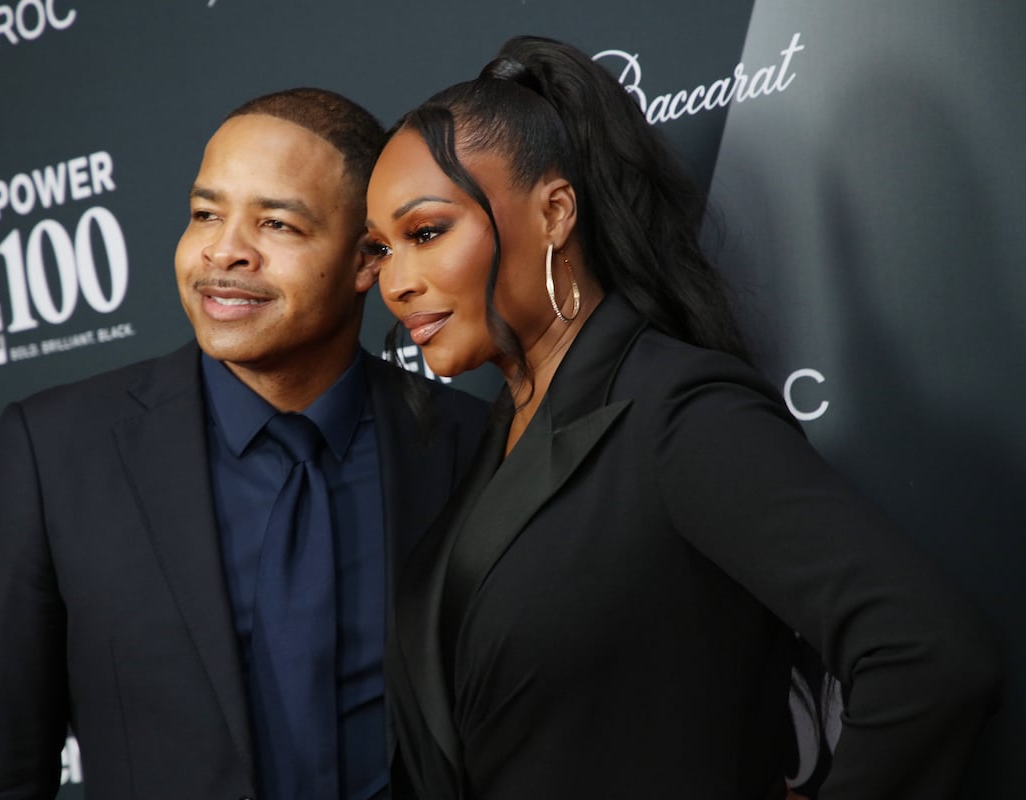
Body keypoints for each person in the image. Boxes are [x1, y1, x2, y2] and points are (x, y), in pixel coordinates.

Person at [363, 36, 1000, 799]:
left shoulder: (676, 413)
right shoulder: (493, 441)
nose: (396, 283)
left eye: (426, 233)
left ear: (556, 212)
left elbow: (928, 654)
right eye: (380, 249)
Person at [0, 87, 487, 800]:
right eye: (205, 214)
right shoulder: (54, 452)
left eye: (278, 225)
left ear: (365, 261)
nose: (224, 250)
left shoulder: (466, 445)